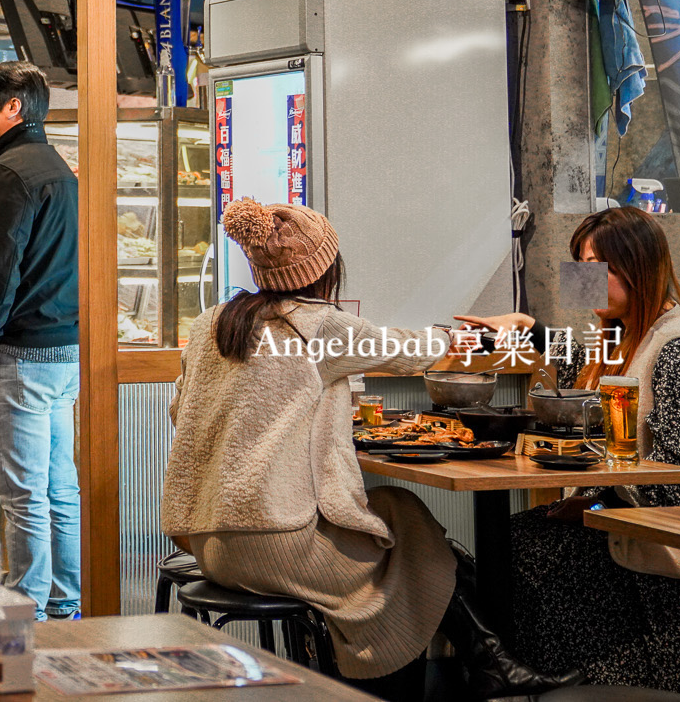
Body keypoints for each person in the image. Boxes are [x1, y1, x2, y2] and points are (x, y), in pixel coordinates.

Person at [160, 199, 578, 700]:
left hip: (207, 542)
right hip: (273, 542)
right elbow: (411, 348)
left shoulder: (212, 324)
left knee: (398, 512)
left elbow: (180, 412)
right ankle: (479, 666)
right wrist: (485, 330)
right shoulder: (318, 325)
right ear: (326, 268)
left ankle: (491, 660)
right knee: (418, 544)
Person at [503, 207, 680, 701]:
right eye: (579, 265)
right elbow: (578, 377)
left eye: (596, 267)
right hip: (626, 525)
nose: (583, 281)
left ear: (637, 267)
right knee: (514, 544)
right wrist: (528, 328)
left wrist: (593, 503)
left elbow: (677, 477)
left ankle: (558, 685)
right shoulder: (621, 334)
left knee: (527, 554)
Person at [0, 60, 81, 619]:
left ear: (14, 107)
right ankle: (65, 601)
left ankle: (26, 606)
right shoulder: (59, 167)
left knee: (23, 494)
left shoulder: (9, 172)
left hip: (23, 354)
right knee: (59, 489)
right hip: (66, 351)